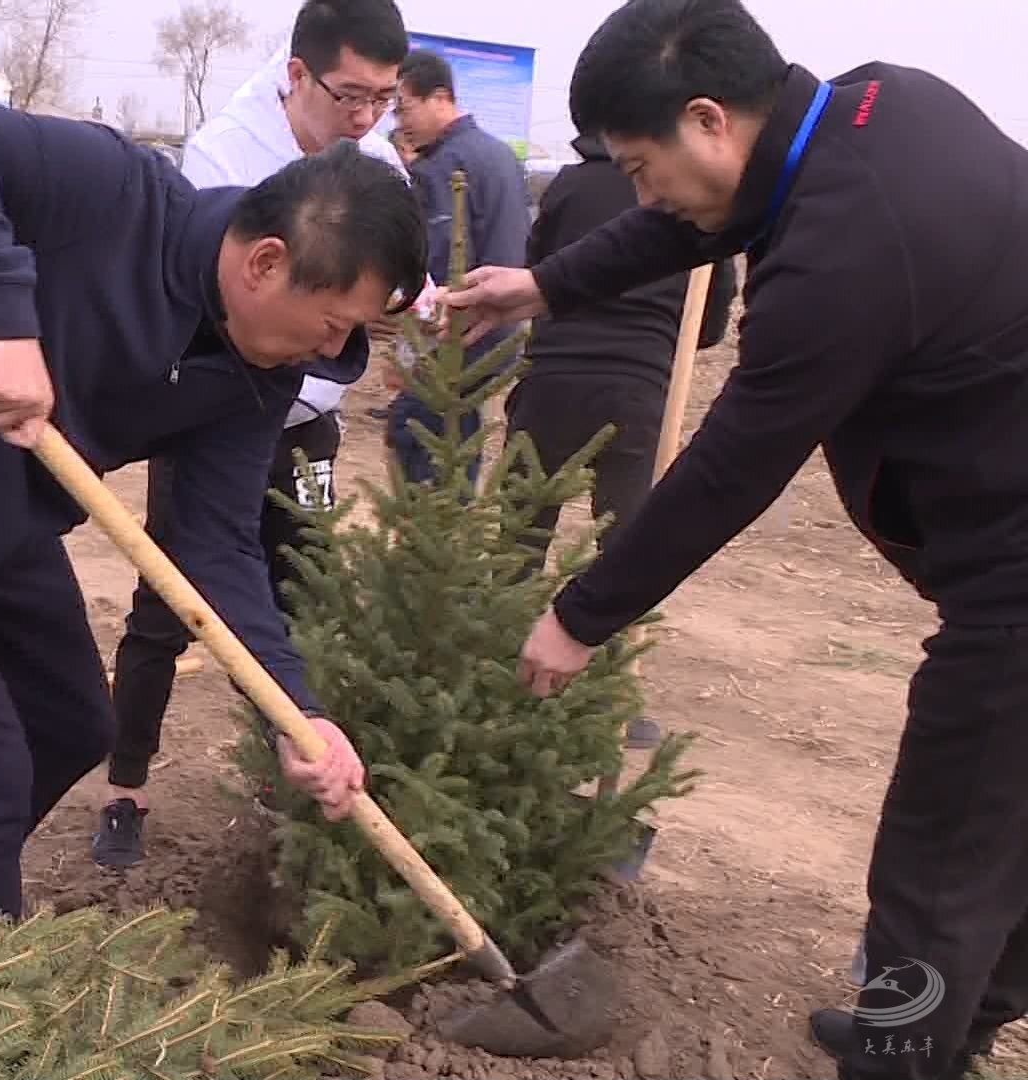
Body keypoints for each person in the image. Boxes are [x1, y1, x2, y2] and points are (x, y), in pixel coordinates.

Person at [438, 2, 1028, 1078]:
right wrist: (546, 282)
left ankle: (904, 1055)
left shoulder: (847, 252)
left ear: (709, 119)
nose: (642, 191)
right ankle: (955, 1024)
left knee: (943, 857)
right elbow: (698, 216)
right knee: (1007, 829)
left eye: (639, 163)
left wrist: (579, 615)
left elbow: (733, 464)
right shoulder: (863, 112)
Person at [0, 84, 427, 922]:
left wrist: (296, 708)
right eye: (334, 322)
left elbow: (216, 545)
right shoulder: (113, 193)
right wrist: (3, 318)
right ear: (266, 262)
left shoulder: (257, 374)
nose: (336, 349)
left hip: (7, 521)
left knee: (69, 724)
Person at [95, 0, 412, 870]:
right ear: (297, 74)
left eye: (384, 98)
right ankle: (126, 788)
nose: (365, 117)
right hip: (213, 420)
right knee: (170, 600)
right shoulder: (225, 156)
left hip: (308, 426)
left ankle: (285, 775)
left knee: (300, 593)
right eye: (350, 94)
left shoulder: (374, 165)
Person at [505, 131, 738, 750]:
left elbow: (541, 272)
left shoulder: (571, 185)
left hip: (552, 379)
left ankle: (497, 670)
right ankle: (613, 699)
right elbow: (710, 324)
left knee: (519, 536)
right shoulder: (698, 198)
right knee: (627, 540)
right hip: (638, 389)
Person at [376, 48, 529, 486]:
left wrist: (406, 345)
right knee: (460, 440)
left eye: (403, 107)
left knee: (416, 433)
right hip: (499, 335)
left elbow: (437, 263)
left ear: (439, 97)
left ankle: (420, 545)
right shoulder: (501, 156)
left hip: (454, 336)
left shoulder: (443, 165)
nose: (398, 121)